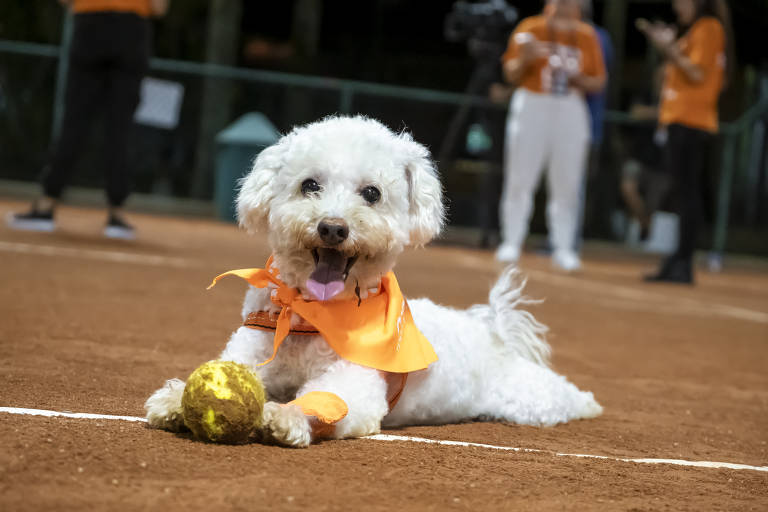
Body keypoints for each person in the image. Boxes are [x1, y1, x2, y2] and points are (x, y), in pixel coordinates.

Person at [7, 0, 170, 240]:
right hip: (132, 31)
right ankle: (117, 215)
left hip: (91, 26)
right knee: (120, 128)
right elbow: (159, 8)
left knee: (74, 121)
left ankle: (47, 205)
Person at [496, 0, 606, 271]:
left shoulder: (586, 34)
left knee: (567, 180)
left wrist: (575, 76)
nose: (567, 6)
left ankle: (564, 246)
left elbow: (599, 81)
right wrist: (526, 58)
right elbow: (510, 72)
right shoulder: (530, 27)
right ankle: (511, 240)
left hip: (570, 104)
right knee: (520, 175)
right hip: (533, 101)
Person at [637, 0, 732, 283]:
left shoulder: (708, 28)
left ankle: (683, 261)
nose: (677, 6)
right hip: (680, 119)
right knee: (682, 192)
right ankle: (678, 258)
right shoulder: (697, 30)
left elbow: (696, 72)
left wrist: (666, 47)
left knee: (687, 192)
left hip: (690, 120)